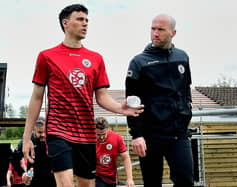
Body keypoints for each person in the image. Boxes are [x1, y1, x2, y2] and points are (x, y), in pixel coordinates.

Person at [22, 4, 143, 187]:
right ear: (66, 23)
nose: (85, 23)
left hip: (86, 134)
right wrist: (26, 138)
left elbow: (101, 96)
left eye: (87, 20)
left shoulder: (96, 58)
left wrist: (120, 108)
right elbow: (37, 97)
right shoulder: (47, 56)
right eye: (80, 19)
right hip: (58, 131)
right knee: (66, 183)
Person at [125, 14, 194, 187]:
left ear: (173, 32)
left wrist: (187, 112)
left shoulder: (182, 57)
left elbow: (185, 90)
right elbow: (132, 101)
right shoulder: (139, 62)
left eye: (161, 29)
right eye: (153, 28)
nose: (155, 33)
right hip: (150, 135)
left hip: (178, 134)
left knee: (186, 181)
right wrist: (137, 134)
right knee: (152, 183)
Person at [11, 118, 56, 187]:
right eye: (40, 132)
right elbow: (14, 158)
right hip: (33, 175)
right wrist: (22, 173)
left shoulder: (51, 138)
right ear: (33, 130)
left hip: (51, 175)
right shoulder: (27, 141)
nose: (43, 135)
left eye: (45, 132)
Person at [95, 117, 134, 187]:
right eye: (98, 135)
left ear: (108, 129)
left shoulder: (116, 137)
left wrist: (129, 178)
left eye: (103, 134)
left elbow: (125, 157)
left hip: (112, 177)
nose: (101, 137)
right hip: (96, 176)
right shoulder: (90, 140)